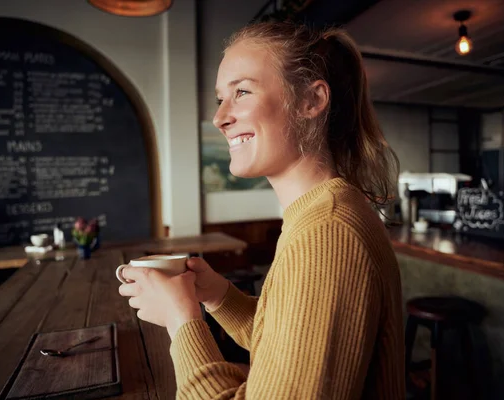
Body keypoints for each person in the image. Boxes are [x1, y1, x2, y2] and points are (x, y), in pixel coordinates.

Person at [118, 21, 405, 399]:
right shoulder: (322, 213)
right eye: (221, 98)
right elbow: (294, 344)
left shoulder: (327, 232)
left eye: (242, 92)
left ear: (311, 101)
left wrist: (181, 322)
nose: (221, 118)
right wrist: (218, 295)